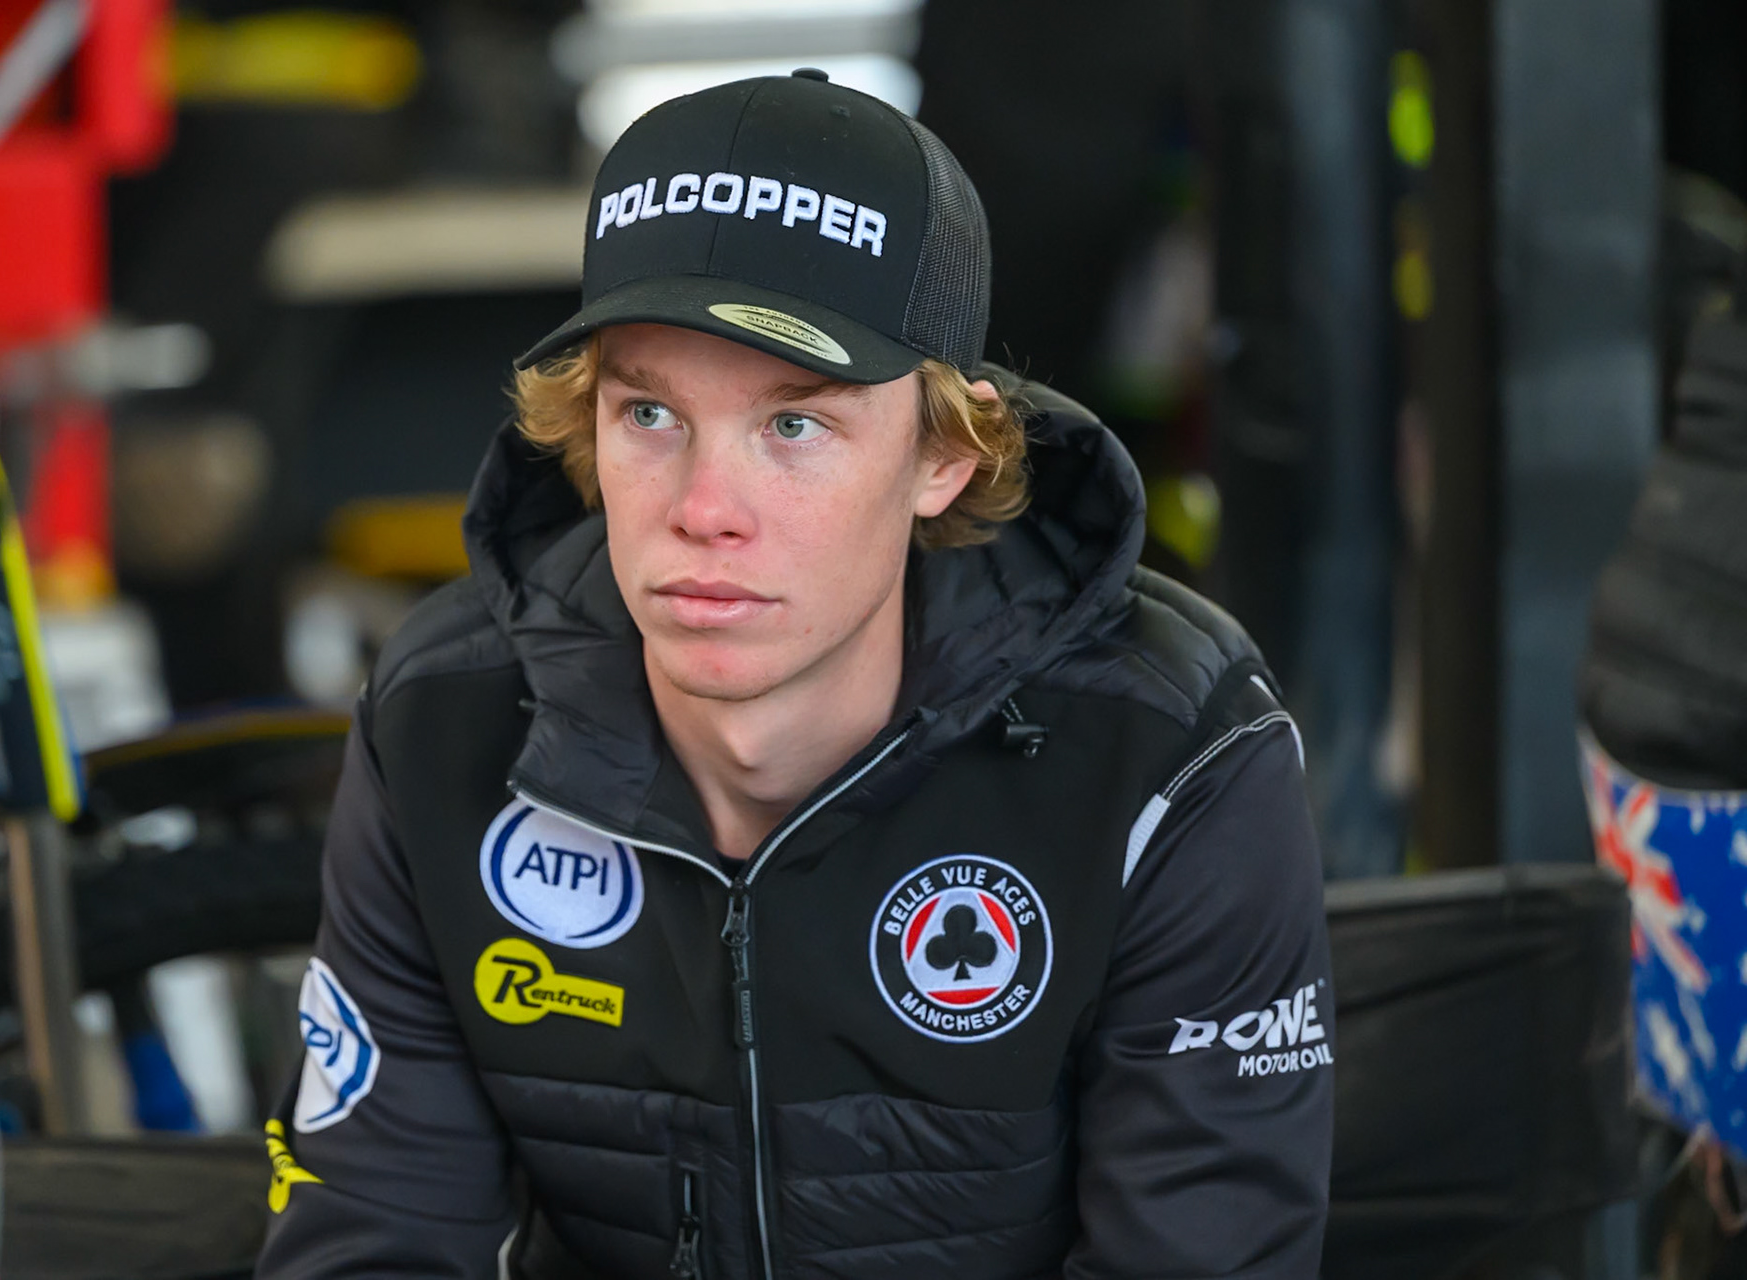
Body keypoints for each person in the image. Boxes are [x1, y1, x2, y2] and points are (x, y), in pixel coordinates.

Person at [258, 70, 1332, 1280]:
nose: (705, 510)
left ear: (942, 453)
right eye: (650, 415)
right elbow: (373, 1241)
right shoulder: (443, 721)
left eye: (795, 425)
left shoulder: (1170, 750)